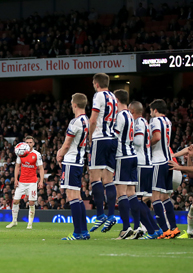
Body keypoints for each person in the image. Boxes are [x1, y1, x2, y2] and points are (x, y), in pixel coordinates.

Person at [56, 93, 90, 240]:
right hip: (79, 161)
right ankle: (84, 231)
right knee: (78, 196)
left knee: (72, 197)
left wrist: (59, 154)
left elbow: (67, 143)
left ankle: (77, 232)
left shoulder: (75, 122)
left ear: (74, 104)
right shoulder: (87, 121)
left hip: (71, 161)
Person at [88, 73, 119, 232]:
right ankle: (112, 215)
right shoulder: (113, 97)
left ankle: (100, 214)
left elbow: (93, 120)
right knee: (108, 178)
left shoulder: (98, 96)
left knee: (94, 176)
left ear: (96, 83)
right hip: (113, 139)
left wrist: (89, 137)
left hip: (100, 138)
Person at [108, 90, 139, 239]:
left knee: (121, 193)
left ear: (117, 100)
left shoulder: (120, 116)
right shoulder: (131, 116)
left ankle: (126, 228)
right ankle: (138, 227)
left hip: (122, 157)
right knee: (132, 193)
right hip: (133, 155)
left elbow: (114, 138)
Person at [129, 101, 161, 239]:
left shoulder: (139, 123)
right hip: (145, 163)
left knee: (135, 200)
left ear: (132, 111)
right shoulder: (144, 122)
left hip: (141, 164)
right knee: (139, 200)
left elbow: (138, 141)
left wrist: (126, 138)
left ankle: (152, 231)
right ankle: (155, 229)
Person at [149, 99, 180, 239]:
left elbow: (156, 137)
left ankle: (164, 229)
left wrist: (146, 144)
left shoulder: (155, 121)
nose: (150, 114)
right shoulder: (168, 121)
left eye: (151, 111)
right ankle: (174, 228)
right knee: (165, 197)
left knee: (155, 197)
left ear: (155, 110)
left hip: (158, 161)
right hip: (168, 160)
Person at [6, 136, 44, 229]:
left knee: (31, 202)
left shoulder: (37, 154)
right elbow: (17, 167)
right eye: (27, 142)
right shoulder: (21, 153)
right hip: (22, 181)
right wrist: (16, 179)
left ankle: (30, 223)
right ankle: (14, 221)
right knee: (15, 201)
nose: (29, 144)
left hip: (32, 182)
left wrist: (41, 181)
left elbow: (41, 168)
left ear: (33, 144)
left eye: (30, 142)